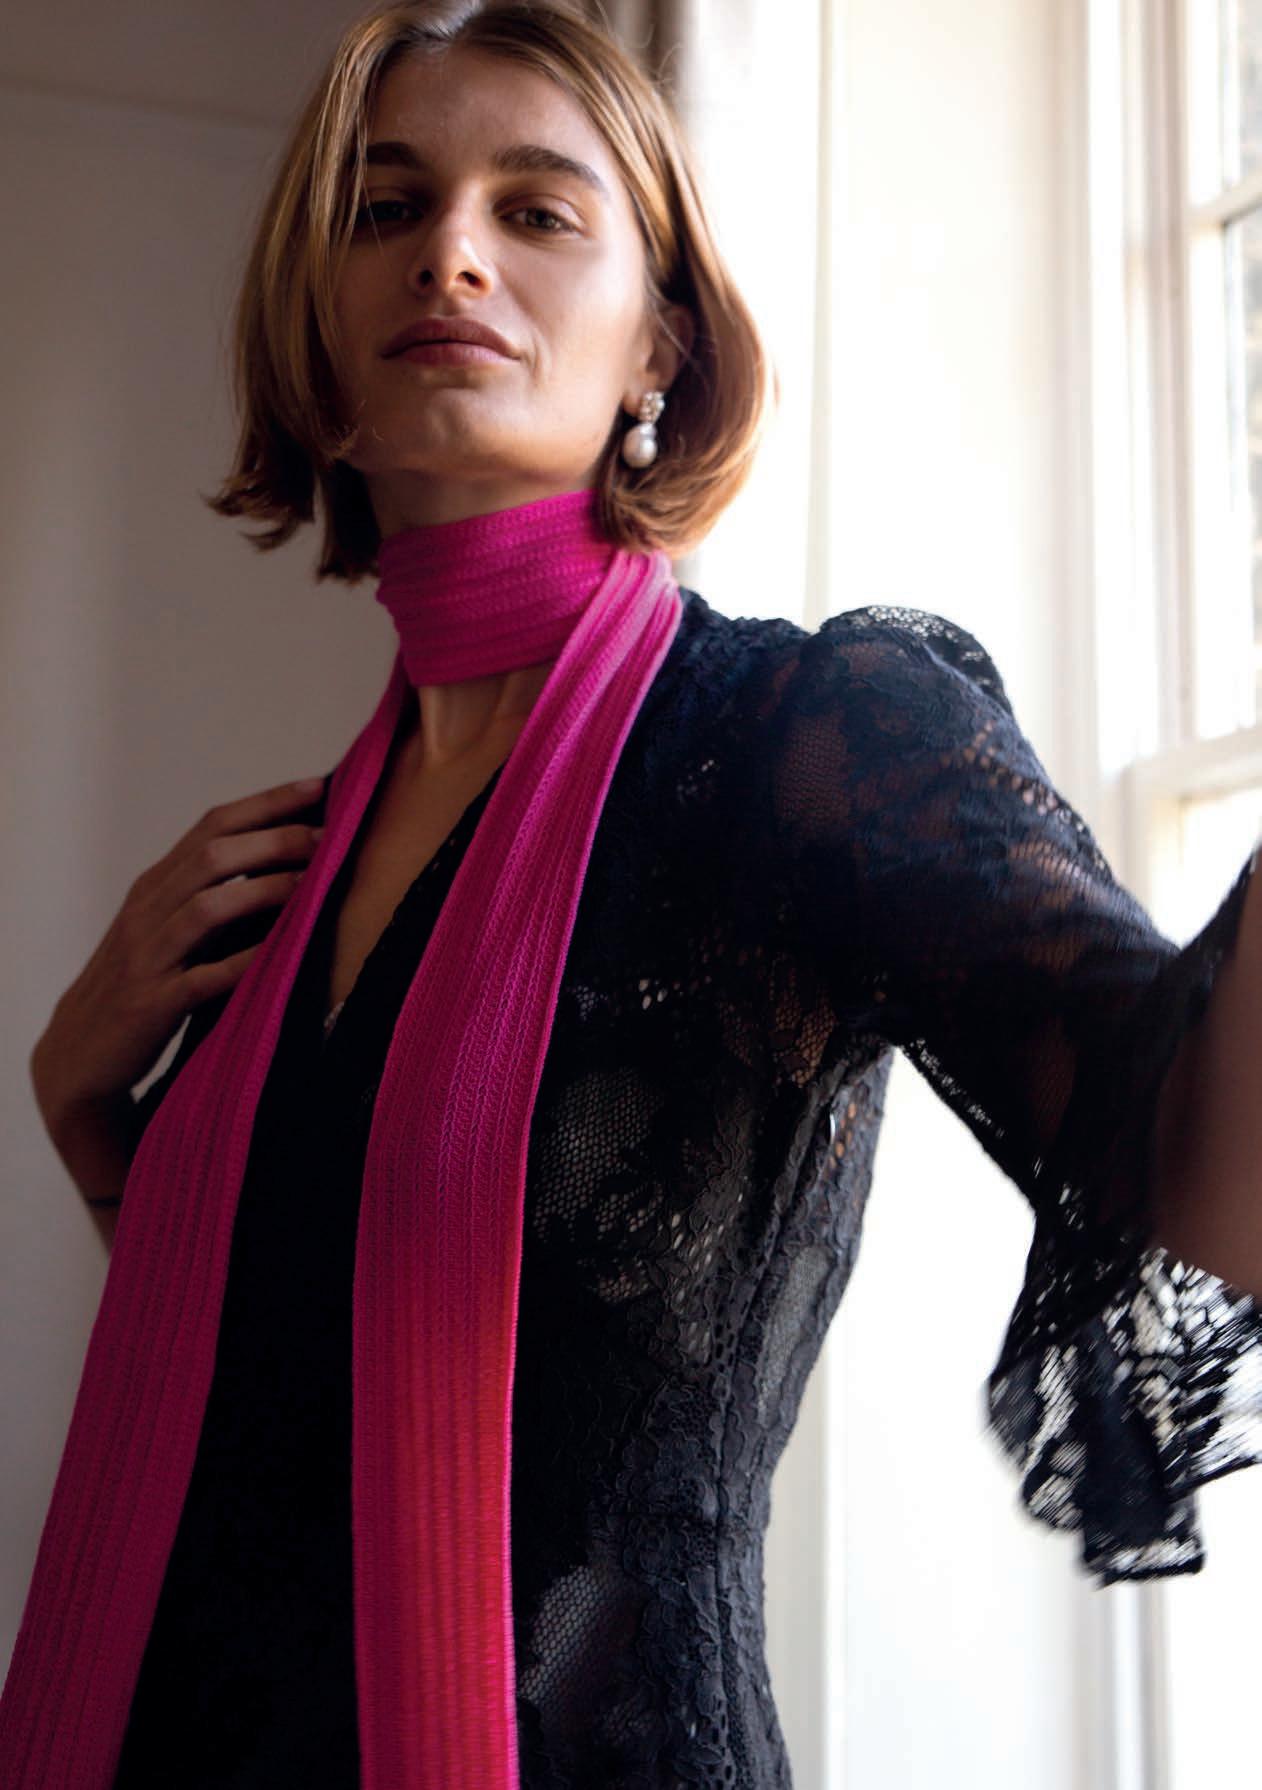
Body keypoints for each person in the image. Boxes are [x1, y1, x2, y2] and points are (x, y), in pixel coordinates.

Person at [8, 2, 1262, 1787]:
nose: (449, 250)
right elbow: (297, 1395)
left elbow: (1193, 1162)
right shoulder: (275, 872)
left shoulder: (794, 739)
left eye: (534, 210)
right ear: (317, 336)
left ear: (657, 342)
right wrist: (85, 1112)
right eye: (386, 208)